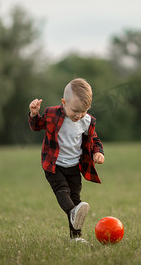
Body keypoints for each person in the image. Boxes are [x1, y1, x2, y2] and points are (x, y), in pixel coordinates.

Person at [28, 78, 105, 243]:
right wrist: (34, 114)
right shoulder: (51, 113)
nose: (78, 115)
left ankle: (75, 238)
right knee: (62, 191)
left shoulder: (86, 121)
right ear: (64, 102)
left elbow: (95, 141)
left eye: (83, 111)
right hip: (53, 165)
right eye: (75, 110)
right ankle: (72, 213)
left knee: (77, 201)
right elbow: (37, 126)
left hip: (74, 166)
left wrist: (98, 152)